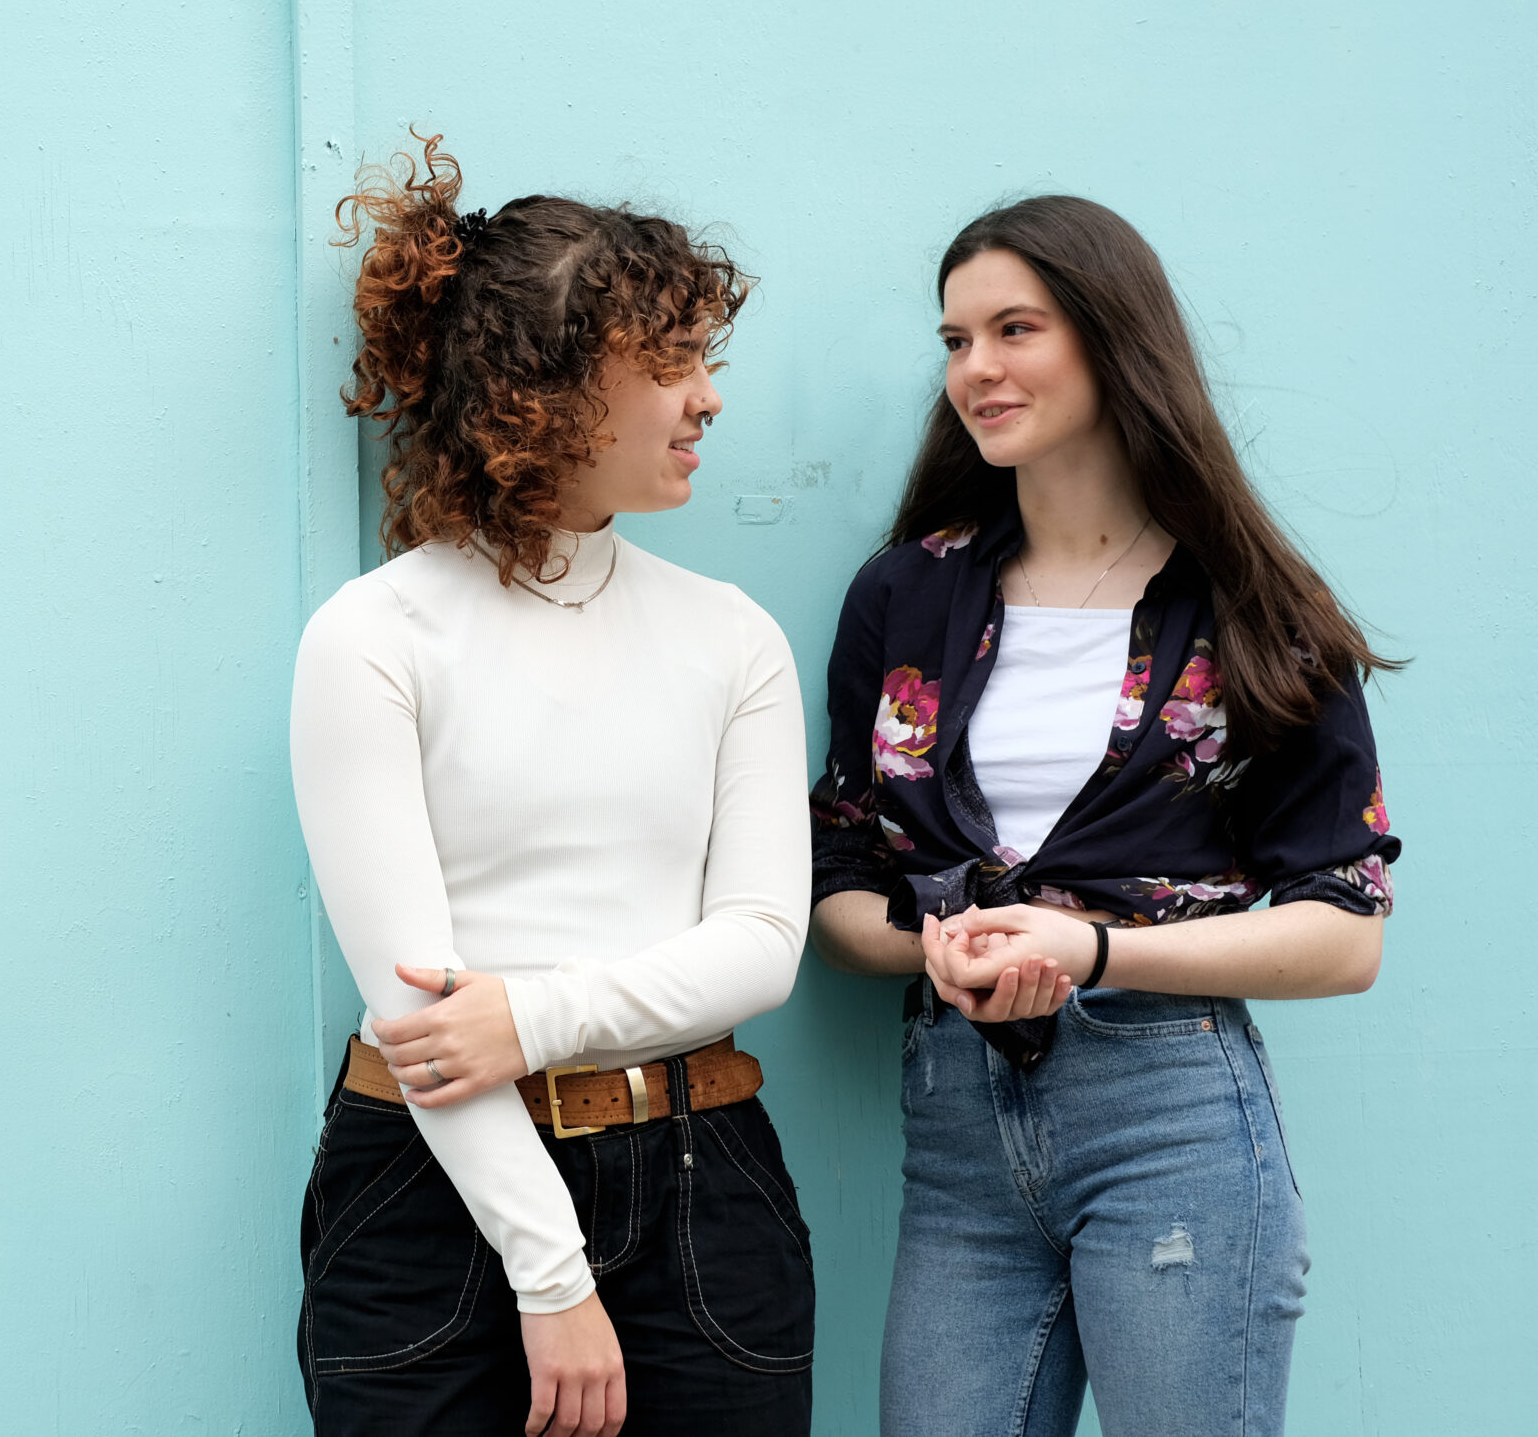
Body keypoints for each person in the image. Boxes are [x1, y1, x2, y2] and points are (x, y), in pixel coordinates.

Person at [808, 196, 1399, 1437]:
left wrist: (1088, 950)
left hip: (1170, 1111)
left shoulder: (1253, 610)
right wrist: (933, 949)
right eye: (954, 340)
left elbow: (1345, 935)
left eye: (1012, 328)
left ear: (1111, 335)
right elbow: (840, 876)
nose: (976, 368)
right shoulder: (904, 593)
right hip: (958, 1123)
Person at [289, 134, 815, 1437]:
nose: (708, 399)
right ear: (551, 386)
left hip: (706, 1192)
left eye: (709, 360)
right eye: (671, 362)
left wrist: (530, 1017)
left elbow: (762, 945)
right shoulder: (374, 636)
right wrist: (551, 1270)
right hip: (427, 1204)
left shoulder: (734, 637)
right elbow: (417, 1015)